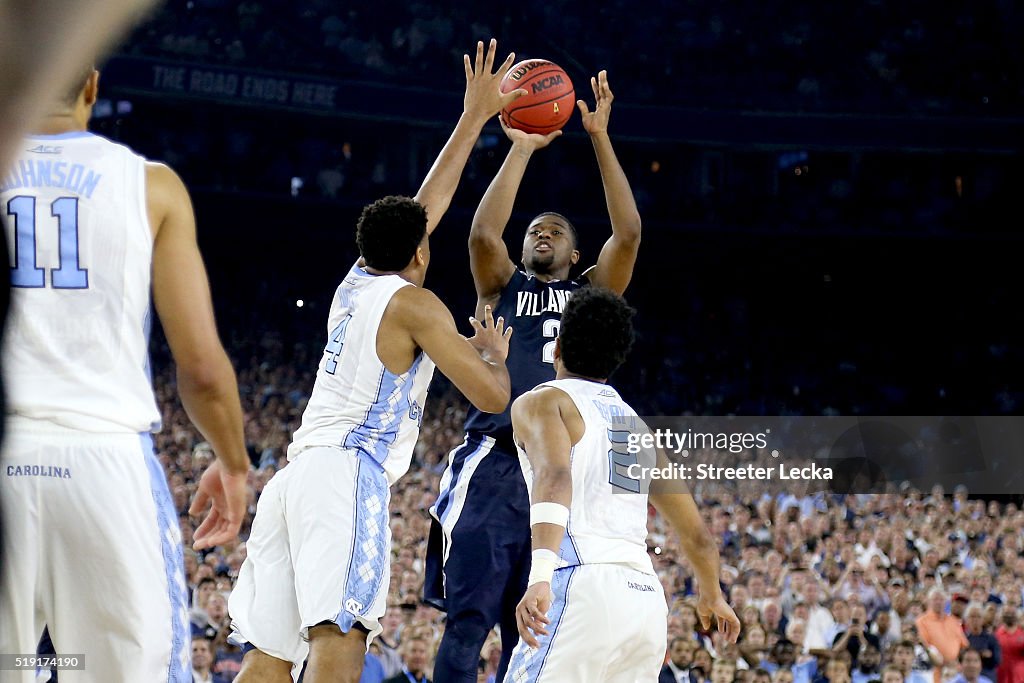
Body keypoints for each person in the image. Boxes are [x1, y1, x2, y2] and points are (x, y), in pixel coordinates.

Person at [227, 39, 523, 683]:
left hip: (293, 476)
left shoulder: (355, 282)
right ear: (421, 253)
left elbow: (422, 211)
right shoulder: (416, 305)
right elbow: (493, 398)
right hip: (344, 477)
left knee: (269, 657)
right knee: (342, 636)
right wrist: (495, 356)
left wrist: (473, 119)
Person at [0, 64, 249, 680]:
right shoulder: (151, 186)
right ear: (91, 85)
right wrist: (234, 463)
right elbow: (199, 365)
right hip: (103, 460)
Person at [426, 69, 644, 682]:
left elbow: (628, 233)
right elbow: (481, 233)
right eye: (534, 231)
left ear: (578, 256)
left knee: (535, 632)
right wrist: (521, 146)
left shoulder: (592, 296)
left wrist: (598, 136)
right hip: (497, 458)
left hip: (563, 472)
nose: (541, 231)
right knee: (468, 622)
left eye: (556, 230)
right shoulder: (502, 288)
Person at [504, 288, 740, 681]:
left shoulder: (544, 401)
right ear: (615, 361)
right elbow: (697, 534)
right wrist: (712, 593)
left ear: (556, 348)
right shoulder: (637, 427)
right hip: (645, 601)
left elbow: (556, 477)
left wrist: (540, 576)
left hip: (580, 582)